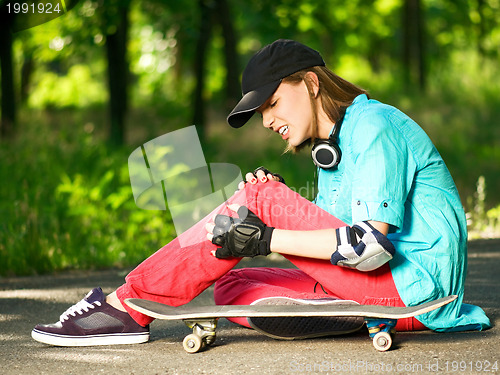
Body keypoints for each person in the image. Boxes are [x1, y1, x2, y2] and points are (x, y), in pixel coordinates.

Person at [32, 39, 490, 347]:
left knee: (261, 199)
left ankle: (125, 306)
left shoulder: (372, 126)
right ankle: (334, 311)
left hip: (417, 293)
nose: (267, 121)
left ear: (310, 83)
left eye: (271, 103)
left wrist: (266, 233)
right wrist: (275, 216)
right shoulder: (332, 148)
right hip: (380, 291)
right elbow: (334, 243)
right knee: (228, 286)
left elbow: (367, 247)